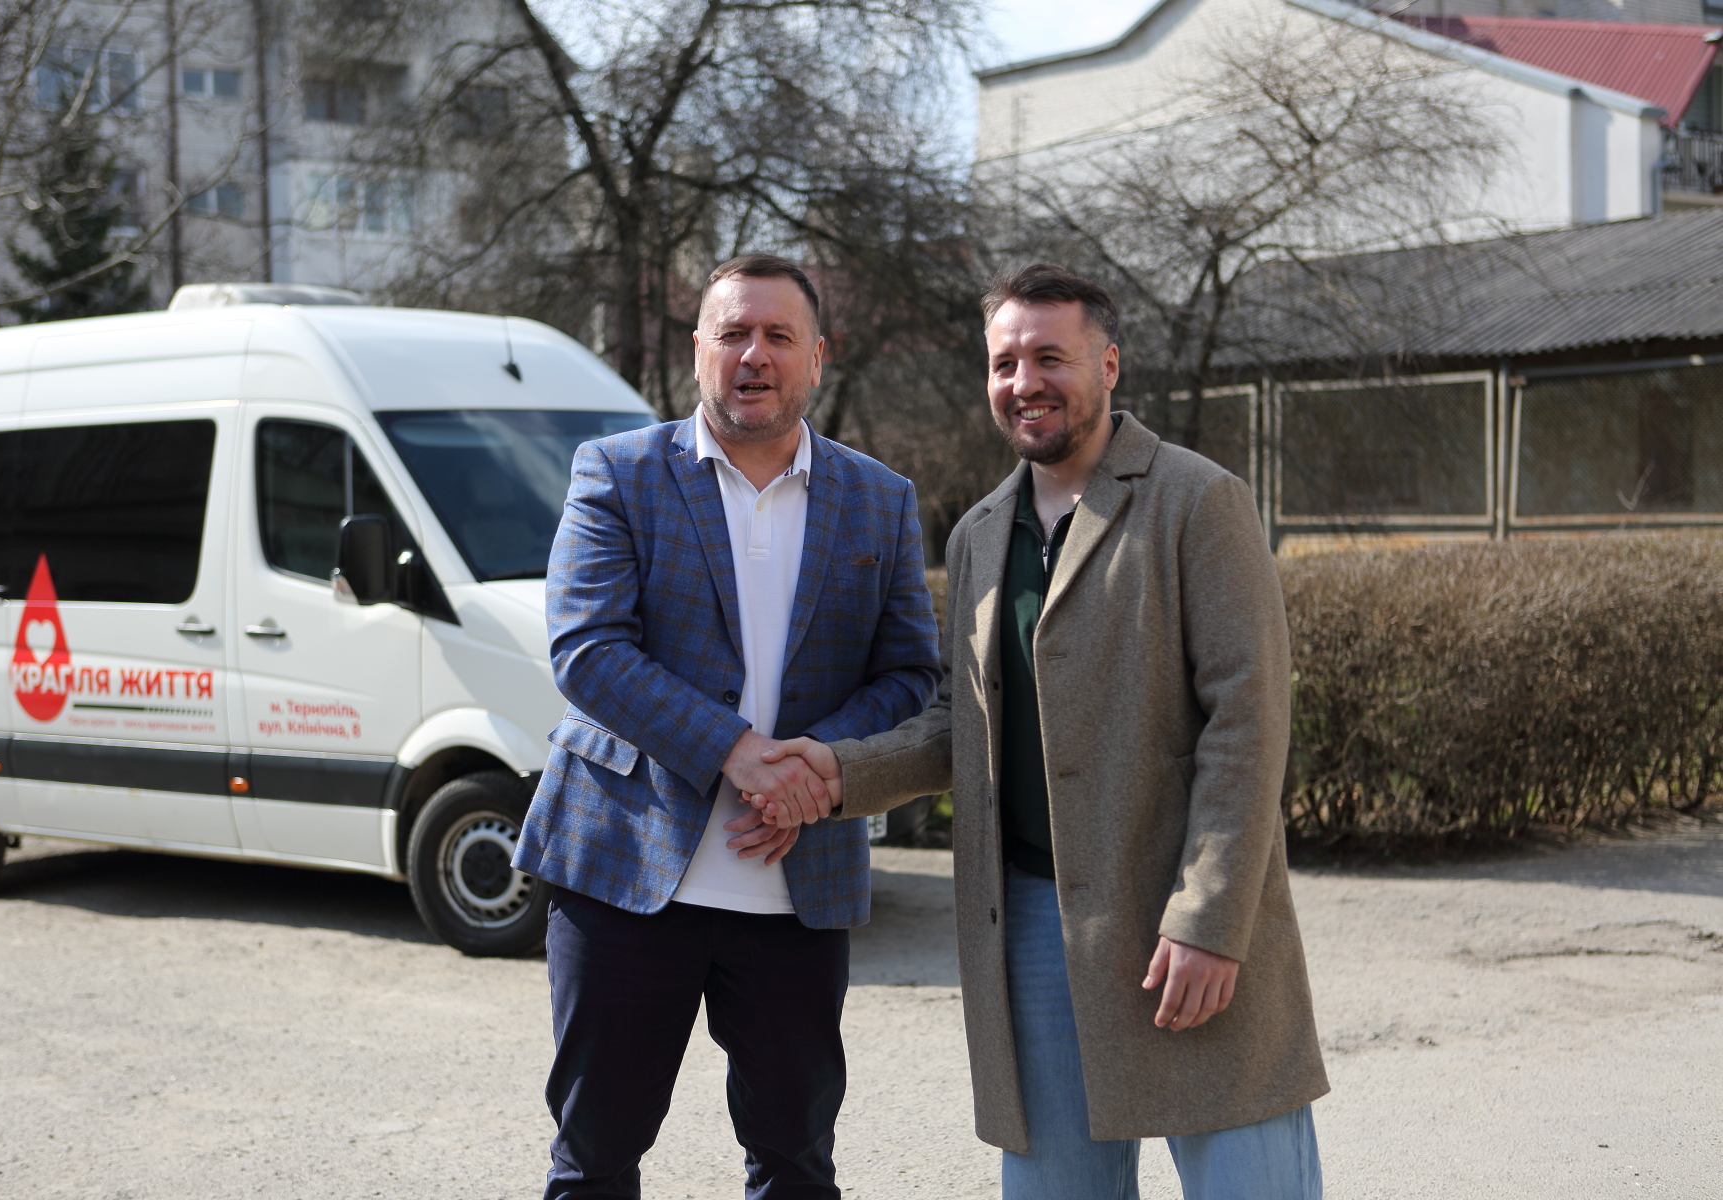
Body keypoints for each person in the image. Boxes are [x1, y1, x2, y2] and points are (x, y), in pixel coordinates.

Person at [746, 264, 1329, 1199]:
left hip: (1177, 917)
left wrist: (1211, 921)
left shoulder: (1197, 501)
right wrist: (834, 771)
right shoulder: (978, 534)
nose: (1026, 382)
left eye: (1050, 357)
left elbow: (1248, 726)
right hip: (1026, 927)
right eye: (1005, 363)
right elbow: (958, 726)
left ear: (1109, 364)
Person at [513, 253, 942, 1200]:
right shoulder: (618, 472)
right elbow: (588, 650)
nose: (756, 355)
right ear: (697, 348)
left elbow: (912, 674)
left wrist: (816, 773)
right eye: (734, 333)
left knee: (796, 1164)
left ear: (817, 357)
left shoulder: (880, 498)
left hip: (797, 890)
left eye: (779, 335)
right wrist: (740, 755)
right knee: (594, 1160)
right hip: (624, 874)